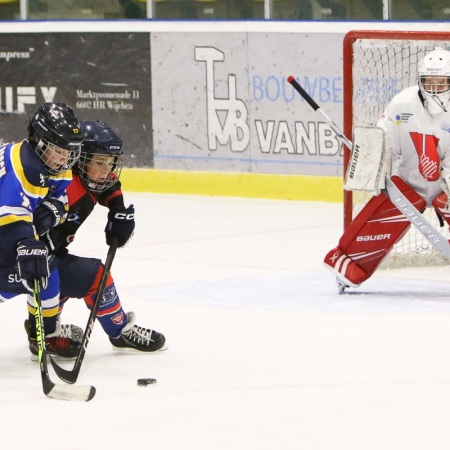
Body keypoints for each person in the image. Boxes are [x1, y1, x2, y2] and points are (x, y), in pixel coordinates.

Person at [25, 119, 166, 359]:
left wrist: (117, 208)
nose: (106, 171)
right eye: (100, 162)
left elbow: (108, 184)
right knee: (92, 276)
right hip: (24, 258)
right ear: (81, 159)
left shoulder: (86, 176)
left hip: (45, 256)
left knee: (70, 274)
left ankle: (46, 334)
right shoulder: (63, 187)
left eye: (110, 163)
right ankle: (46, 335)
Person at [323, 47, 450, 290]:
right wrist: (375, 164)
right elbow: (383, 138)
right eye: (428, 82)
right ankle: (350, 264)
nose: (434, 88)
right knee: (377, 220)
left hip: (447, 186)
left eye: (441, 82)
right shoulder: (402, 103)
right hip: (406, 184)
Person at [0, 102, 82, 357]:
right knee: (32, 267)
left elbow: (61, 199)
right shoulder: (21, 168)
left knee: (46, 270)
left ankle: (45, 336)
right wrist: (24, 242)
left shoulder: (50, 165)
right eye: (57, 150)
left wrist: (56, 209)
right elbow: (8, 220)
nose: (63, 158)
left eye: (68, 152)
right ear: (37, 139)